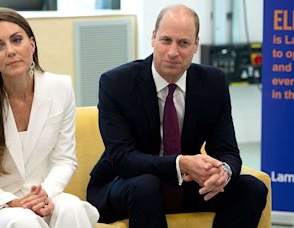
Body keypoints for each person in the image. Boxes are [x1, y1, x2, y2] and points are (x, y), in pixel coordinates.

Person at [87, 4, 267, 228]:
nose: (173, 52)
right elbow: (122, 158)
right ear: (153, 39)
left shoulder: (213, 83)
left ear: (195, 45)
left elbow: (227, 151)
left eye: (183, 43)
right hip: (125, 184)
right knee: (146, 185)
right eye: (166, 40)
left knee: (253, 188)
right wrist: (180, 163)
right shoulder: (116, 83)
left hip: (185, 185)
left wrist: (224, 172)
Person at [0, 7, 99, 228]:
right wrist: (13, 202)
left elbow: (65, 160)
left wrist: (45, 195)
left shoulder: (61, 88)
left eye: (16, 40)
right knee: (25, 222)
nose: (10, 51)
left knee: (72, 209)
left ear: (31, 44)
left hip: (40, 193)